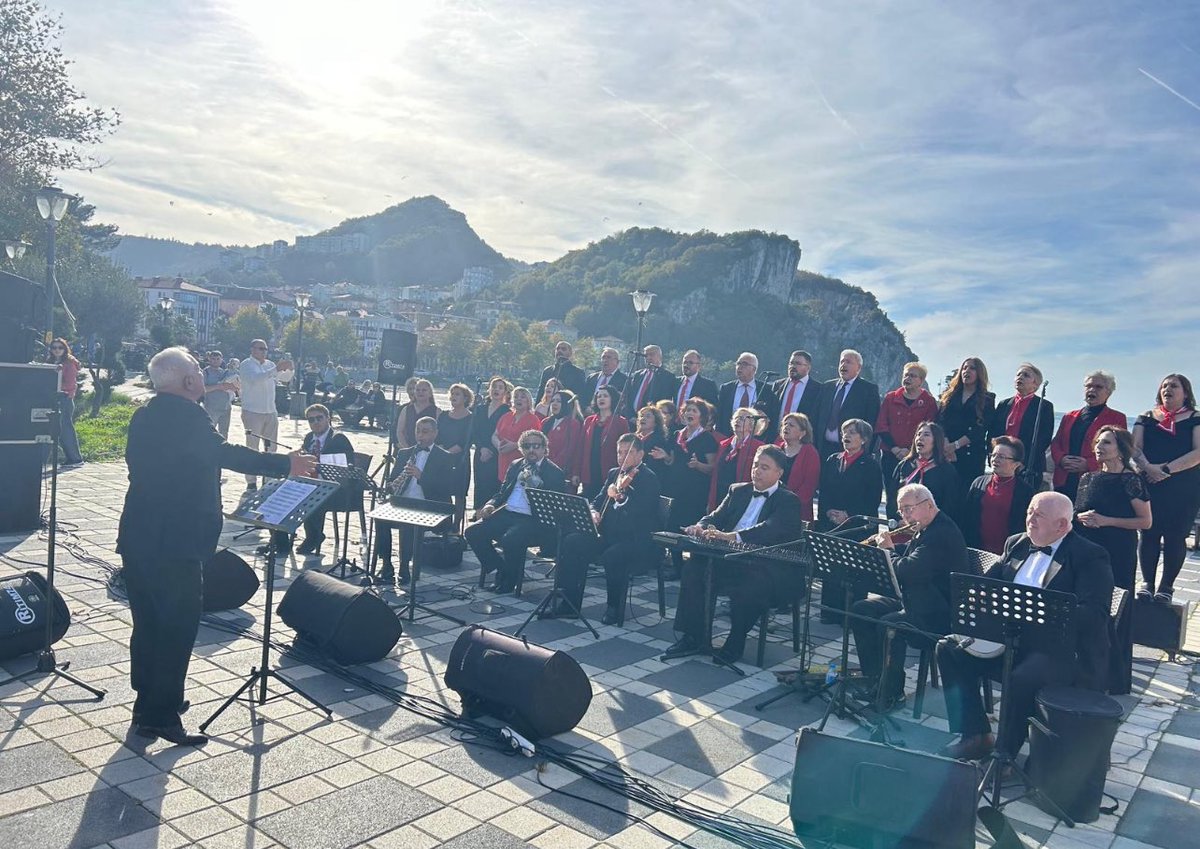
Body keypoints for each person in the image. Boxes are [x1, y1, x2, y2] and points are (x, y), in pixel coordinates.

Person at [117, 347, 314, 746]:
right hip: (176, 543)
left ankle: (147, 703)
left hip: (139, 537)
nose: (203, 376)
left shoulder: (145, 414)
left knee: (148, 624)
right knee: (176, 627)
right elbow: (223, 453)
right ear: (189, 381)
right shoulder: (189, 416)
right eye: (197, 370)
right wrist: (285, 464)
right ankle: (161, 716)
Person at [936, 492, 1113, 762]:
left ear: (1062, 526)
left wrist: (1040, 612)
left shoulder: (1090, 556)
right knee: (949, 649)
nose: (1030, 519)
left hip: (1059, 650)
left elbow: (1094, 614)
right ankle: (975, 735)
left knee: (1021, 677)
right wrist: (977, 594)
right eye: (1030, 511)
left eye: (1039, 515)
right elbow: (989, 583)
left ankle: (1004, 754)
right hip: (1009, 638)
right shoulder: (1016, 543)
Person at [661, 445, 805, 664]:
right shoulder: (738, 490)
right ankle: (693, 636)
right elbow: (712, 517)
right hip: (728, 559)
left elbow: (770, 528)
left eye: (765, 467)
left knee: (751, 586)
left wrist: (731, 537)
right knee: (694, 569)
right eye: (756, 464)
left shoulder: (788, 500)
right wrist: (701, 527)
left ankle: (736, 640)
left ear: (779, 473)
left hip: (766, 565)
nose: (757, 470)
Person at [851, 484, 967, 710]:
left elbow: (908, 571)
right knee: (861, 610)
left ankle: (892, 693)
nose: (904, 516)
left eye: (908, 509)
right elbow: (914, 554)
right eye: (901, 511)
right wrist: (893, 550)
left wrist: (888, 550)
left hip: (938, 613)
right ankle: (876, 680)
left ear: (929, 505)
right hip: (917, 600)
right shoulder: (926, 527)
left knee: (889, 626)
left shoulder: (942, 533)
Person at [545, 433, 662, 624]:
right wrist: (593, 512)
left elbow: (643, 512)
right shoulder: (614, 473)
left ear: (641, 454)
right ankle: (569, 602)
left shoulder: (648, 478)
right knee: (572, 542)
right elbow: (597, 501)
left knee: (612, 556)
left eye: (629, 452)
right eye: (620, 452)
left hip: (634, 538)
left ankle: (614, 607)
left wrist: (622, 498)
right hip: (609, 534)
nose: (623, 457)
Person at [1075, 426, 1152, 695]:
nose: (1099, 446)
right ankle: (1085, 670)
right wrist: (1080, 519)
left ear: (1120, 448)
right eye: (1097, 441)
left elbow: (1146, 521)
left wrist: (1107, 521)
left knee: (1114, 612)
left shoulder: (1131, 480)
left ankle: (1114, 678)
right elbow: (1077, 512)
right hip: (1087, 551)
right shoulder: (1087, 478)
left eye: (1106, 442)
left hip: (1117, 552)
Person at [465, 429, 566, 594]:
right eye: (527, 446)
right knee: (473, 532)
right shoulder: (516, 465)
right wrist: (490, 504)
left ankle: (509, 581)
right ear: (521, 448)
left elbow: (554, 507)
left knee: (510, 539)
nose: (531, 450)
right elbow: (502, 492)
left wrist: (535, 487)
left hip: (533, 519)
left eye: (536, 446)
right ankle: (501, 568)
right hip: (507, 512)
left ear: (544, 449)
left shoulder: (555, 472)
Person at [1132, 374, 1200, 603]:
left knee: (1175, 536)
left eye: (1173, 386)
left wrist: (1167, 470)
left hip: (1183, 486)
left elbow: (1197, 453)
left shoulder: (1195, 418)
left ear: (1185, 392)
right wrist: (1148, 468)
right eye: (1164, 386)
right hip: (1150, 483)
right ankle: (1147, 583)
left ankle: (1166, 586)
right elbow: (1135, 448)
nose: (1167, 389)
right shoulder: (1146, 417)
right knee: (1149, 533)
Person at [259, 403, 354, 557]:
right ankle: (279, 541)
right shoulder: (310, 437)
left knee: (310, 495)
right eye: (311, 420)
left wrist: (317, 460)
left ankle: (314, 535)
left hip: (335, 488)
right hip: (310, 482)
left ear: (328, 419)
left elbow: (347, 464)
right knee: (276, 495)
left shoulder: (338, 438)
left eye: (319, 418)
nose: (315, 422)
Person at [376, 416, 458, 585]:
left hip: (428, 504)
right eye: (418, 431)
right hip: (403, 500)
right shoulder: (405, 453)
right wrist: (393, 484)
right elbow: (391, 481)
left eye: (425, 432)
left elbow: (446, 488)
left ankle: (405, 566)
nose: (420, 435)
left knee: (407, 522)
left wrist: (421, 476)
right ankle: (386, 564)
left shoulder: (445, 456)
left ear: (435, 433)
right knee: (379, 519)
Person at [817, 419, 884, 619]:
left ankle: (851, 615)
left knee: (853, 572)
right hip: (832, 522)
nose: (846, 435)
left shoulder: (871, 465)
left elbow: (872, 499)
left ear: (863, 439)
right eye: (844, 431)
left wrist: (849, 515)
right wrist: (828, 512)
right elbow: (824, 491)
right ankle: (830, 613)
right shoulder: (833, 459)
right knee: (832, 568)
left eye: (852, 432)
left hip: (856, 526)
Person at [1050, 371, 1126, 501]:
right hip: (1064, 478)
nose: (1092, 390)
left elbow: (1120, 450)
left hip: (1094, 480)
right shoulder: (1069, 416)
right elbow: (1056, 442)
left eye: (1098, 387)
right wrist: (1062, 459)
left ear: (1108, 393)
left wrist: (1089, 464)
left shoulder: (1117, 418)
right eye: (1088, 386)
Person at [876, 362, 938, 516]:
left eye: (912, 376)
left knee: (913, 495)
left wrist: (910, 451)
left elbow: (931, 428)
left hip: (915, 457)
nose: (907, 378)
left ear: (921, 381)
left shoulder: (928, 402)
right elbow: (881, 425)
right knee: (892, 495)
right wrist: (895, 449)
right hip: (890, 454)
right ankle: (893, 528)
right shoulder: (891, 398)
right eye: (906, 375)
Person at [962, 436, 1035, 555]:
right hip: (975, 550)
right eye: (993, 455)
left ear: (1016, 464)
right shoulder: (978, 483)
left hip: (1007, 553)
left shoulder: (1025, 492)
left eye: (1001, 457)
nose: (995, 459)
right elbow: (966, 518)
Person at [992, 363, 1054, 488]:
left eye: (1026, 375)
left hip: (1027, 465)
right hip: (1002, 461)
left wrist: (1019, 462)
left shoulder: (1044, 406)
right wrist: (994, 455)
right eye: (1018, 374)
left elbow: (1044, 438)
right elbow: (994, 432)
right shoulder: (1004, 404)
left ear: (1035, 384)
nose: (1020, 377)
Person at [938, 357, 996, 488]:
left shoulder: (987, 399)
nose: (967, 371)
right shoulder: (949, 396)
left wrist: (955, 445)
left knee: (966, 495)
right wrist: (947, 445)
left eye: (972, 368)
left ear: (980, 373)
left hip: (972, 455)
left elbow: (981, 428)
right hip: (946, 452)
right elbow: (940, 421)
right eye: (964, 368)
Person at [891, 422, 959, 525]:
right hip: (902, 528)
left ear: (936, 441)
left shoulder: (946, 470)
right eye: (918, 434)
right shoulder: (904, 465)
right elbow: (891, 496)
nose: (920, 438)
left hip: (932, 530)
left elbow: (950, 505)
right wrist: (898, 521)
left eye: (926, 435)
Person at [818, 349, 881, 459]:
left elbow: (872, 422)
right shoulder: (827, 387)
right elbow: (817, 415)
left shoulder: (868, 390)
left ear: (859, 368)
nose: (843, 365)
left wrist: (867, 451)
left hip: (851, 451)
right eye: (842, 362)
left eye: (848, 362)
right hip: (822, 448)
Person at [238, 339, 279, 490]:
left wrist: (289, 368)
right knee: (252, 448)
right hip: (253, 411)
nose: (263, 352)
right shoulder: (246, 364)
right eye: (260, 348)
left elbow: (284, 378)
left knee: (271, 448)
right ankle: (251, 481)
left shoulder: (270, 365)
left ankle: (268, 478)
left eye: (265, 349)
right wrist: (275, 370)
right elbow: (254, 379)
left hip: (270, 410)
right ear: (252, 349)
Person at [709, 407, 767, 510]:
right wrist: (711, 501)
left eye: (742, 418)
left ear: (752, 426)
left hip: (741, 499)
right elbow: (715, 474)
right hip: (720, 495)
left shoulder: (758, 447)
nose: (737, 421)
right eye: (736, 418)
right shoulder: (724, 445)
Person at [580, 385, 629, 499]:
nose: (601, 399)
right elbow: (580, 448)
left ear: (613, 399)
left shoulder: (621, 422)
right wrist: (577, 472)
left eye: (605, 396)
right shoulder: (588, 421)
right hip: (589, 473)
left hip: (608, 473)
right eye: (599, 396)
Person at [716, 352, 779, 438]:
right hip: (729, 439)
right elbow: (720, 417)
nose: (740, 367)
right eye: (738, 363)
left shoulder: (766, 389)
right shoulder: (726, 389)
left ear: (754, 369)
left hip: (756, 439)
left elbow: (772, 417)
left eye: (744, 364)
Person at [45, 338, 85, 468]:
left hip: (65, 398)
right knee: (58, 428)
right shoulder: (50, 361)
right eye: (54, 347)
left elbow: (70, 383)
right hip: (53, 398)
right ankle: (70, 457)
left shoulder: (69, 362)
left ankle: (75, 458)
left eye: (60, 347)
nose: (57, 350)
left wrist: (57, 384)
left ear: (65, 349)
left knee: (65, 428)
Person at [471, 377, 511, 508]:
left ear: (505, 392)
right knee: (479, 482)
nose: (496, 390)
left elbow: (504, 434)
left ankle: (489, 512)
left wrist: (491, 450)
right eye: (494, 386)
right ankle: (477, 511)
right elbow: (474, 431)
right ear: (489, 390)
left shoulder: (507, 411)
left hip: (496, 454)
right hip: (480, 451)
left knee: (492, 484)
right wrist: (481, 448)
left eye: (500, 387)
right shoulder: (480, 409)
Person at [776, 412, 821, 523]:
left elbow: (809, 485)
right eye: (784, 424)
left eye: (791, 425)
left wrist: (788, 502)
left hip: (795, 509)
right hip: (771, 504)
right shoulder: (775, 448)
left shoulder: (810, 453)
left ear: (802, 433)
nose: (786, 427)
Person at [437, 383, 475, 513]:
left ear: (465, 398)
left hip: (460, 460)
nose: (453, 396)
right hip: (441, 458)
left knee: (459, 494)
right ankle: (443, 522)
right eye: (452, 394)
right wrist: (441, 451)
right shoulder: (443, 415)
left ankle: (456, 526)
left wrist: (447, 453)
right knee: (442, 491)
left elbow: (465, 441)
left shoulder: (471, 418)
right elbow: (437, 434)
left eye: (457, 394)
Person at [494, 386, 542, 483]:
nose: (518, 399)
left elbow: (536, 442)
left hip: (521, 463)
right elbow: (495, 434)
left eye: (522, 397)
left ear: (528, 401)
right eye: (516, 397)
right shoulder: (505, 417)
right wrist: (498, 445)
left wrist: (515, 445)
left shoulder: (533, 419)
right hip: (503, 461)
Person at [541, 389, 585, 492]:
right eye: (553, 401)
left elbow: (570, 450)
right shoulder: (546, 422)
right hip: (543, 471)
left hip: (561, 473)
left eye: (558, 401)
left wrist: (550, 467)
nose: (554, 404)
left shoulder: (573, 424)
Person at [770, 350, 825, 428]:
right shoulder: (778, 385)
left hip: (801, 437)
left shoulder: (818, 389)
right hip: (775, 436)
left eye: (798, 364)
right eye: (791, 363)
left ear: (808, 367)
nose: (793, 366)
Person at [624, 344, 676, 419]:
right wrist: (631, 416)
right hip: (632, 419)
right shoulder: (638, 375)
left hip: (652, 420)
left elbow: (664, 400)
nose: (648, 358)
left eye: (651, 355)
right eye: (646, 355)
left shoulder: (667, 377)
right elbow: (629, 397)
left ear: (660, 356)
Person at [201, 350, 237, 439]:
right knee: (208, 433)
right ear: (209, 359)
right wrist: (218, 386)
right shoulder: (205, 372)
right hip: (211, 408)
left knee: (224, 433)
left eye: (218, 359)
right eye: (213, 359)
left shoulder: (224, 372)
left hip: (226, 407)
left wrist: (232, 386)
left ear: (221, 360)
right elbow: (202, 389)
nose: (215, 361)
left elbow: (234, 387)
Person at [395, 378, 439, 449]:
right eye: (418, 390)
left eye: (424, 390)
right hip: (407, 448)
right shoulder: (406, 409)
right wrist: (408, 449)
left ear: (430, 393)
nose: (420, 392)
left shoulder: (437, 411)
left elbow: (438, 434)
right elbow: (400, 432)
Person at [582, 347, 627, 412]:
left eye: (608, 357)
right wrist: (586, 408)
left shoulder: (624, 380)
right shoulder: (591, 378)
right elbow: (583, 396)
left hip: (611, 417)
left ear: (617, 362)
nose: (605, 360)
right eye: (603, 357)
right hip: (590, 416)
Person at [633, 404, 670, 481]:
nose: (643, 418)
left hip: (647, 479)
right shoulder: (633, 438)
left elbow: (653, 466)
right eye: (641, 416)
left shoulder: (659, 441)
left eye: (648, 416)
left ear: (656, 422)